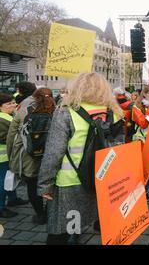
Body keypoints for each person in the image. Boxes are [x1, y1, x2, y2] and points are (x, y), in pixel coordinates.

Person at [38, 73, 124, 245]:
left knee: (61, 230)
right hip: (103, 179)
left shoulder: (66, 112)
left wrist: (45, 185)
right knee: (98, 220)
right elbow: (119, 149)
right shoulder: (114, 113)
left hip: (71, 181)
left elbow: (54, 153)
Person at [7, 87, 52, 224]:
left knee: (32, 186)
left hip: (29, 156)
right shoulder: (58, 111)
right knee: (51, 185)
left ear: (34, 97)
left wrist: (12, 156)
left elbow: (11, 135)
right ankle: (50, 212)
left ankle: (40, 214)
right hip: (50, 156)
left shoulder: (23, 111)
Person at [0, 93, 28, 218]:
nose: (14, 105)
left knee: (11, 177)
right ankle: (1, 208)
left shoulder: (8, 116)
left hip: (9, 155)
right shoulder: (2, 119)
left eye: (13, 102)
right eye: (9, 103)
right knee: (2, 182)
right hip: (3, 157)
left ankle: (12, 198)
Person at [131, 86, 149, 204]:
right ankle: (139, 196)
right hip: (141, 143)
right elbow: (143, 123)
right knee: (142, 171)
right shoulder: (136, 107)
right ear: (145, 95)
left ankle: (145, 193)